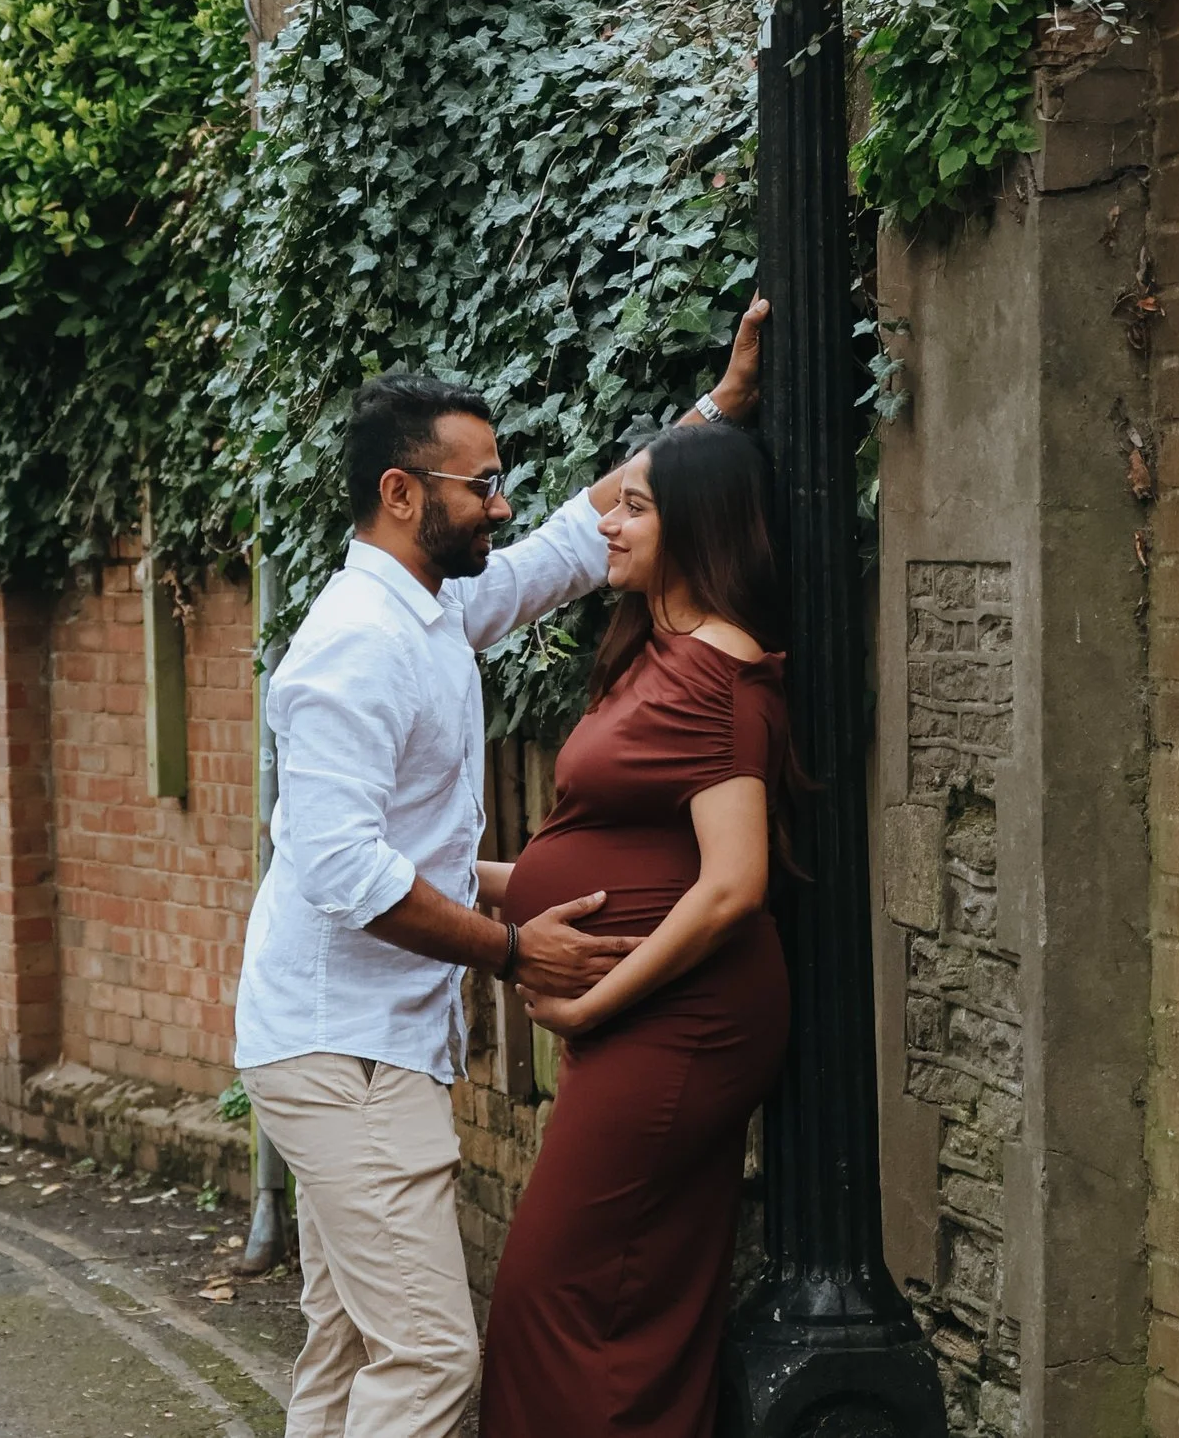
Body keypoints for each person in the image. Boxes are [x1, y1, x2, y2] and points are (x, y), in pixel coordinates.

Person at [234, 300, 765, 1438]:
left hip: (357, 1045)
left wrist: (711, 414)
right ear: (400, 493)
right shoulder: (349, 649)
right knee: (426, 1360)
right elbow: (342, 870)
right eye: (480, 483)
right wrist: (515, 946)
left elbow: (571, 543)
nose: (502, 499)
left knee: (347, 1342)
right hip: (343, 1052)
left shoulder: (427, 606)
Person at [478, 420, 799, 1438]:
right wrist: (426, 883)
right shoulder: (655, 651)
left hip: (684, 1022)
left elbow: (732, 883)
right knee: (639, 1294)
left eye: (634, 506)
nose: (605, 521)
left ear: (696, 525)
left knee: (552, 1288)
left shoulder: (718, 675)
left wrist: (593, 999)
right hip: (645, 1021)